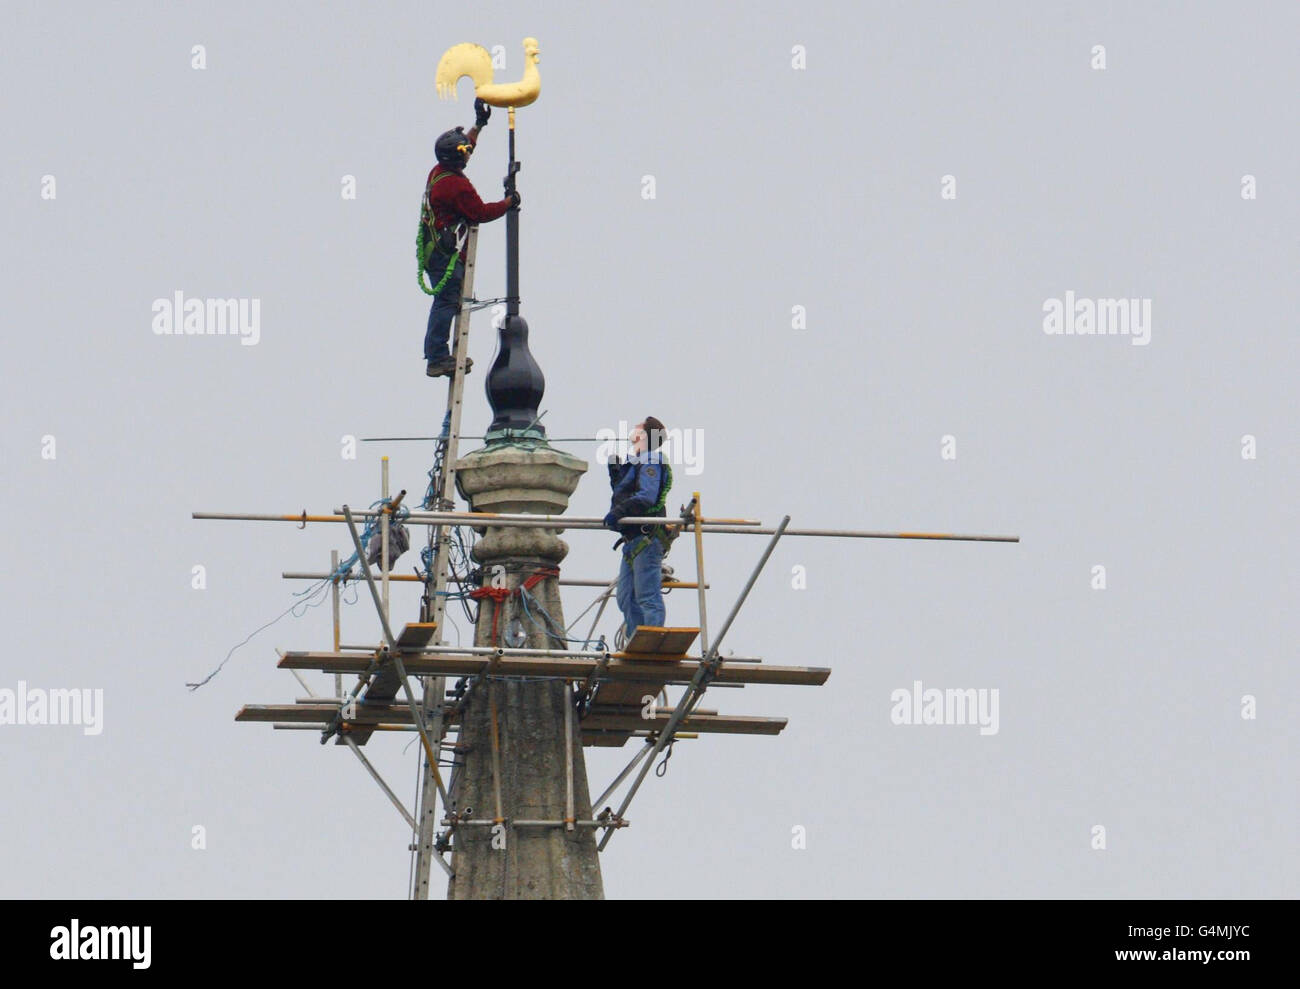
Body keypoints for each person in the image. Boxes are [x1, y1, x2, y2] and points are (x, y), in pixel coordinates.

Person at [418, 98, 519, 378]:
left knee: (447, 299)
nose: (468, 152)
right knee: (447, 300)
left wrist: (479, 125)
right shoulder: (455, 186)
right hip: (445, 258)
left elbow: (465, 148)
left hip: (436, 252)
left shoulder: (440, 172)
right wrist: (508, 203)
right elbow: (480, 213)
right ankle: (438, 357)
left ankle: (439, 354)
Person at [604, 418, 674, 638]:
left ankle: (651, 640)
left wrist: (618, 513)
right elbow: (629, 492)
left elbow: (646, 496)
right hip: (632, 540)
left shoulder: (651, 460)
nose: (633, 428)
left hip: (646, 538)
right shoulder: (638, 462)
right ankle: (637, 638)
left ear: (644, 435)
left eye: (639, 425)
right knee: (626, 597)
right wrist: (616, 477)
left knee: (646, 596)